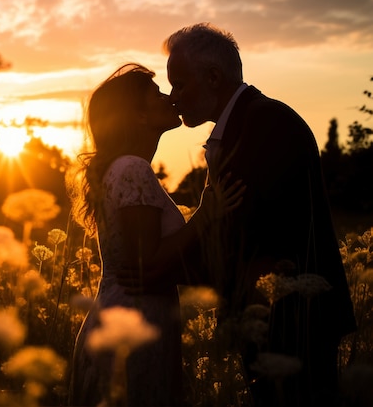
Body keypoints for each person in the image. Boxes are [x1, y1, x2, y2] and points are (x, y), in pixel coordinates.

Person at [139, 22, 356, 407]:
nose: (174, 98)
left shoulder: (265, 123)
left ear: (213, 77)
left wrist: (157, 268)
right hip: (276, 318)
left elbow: (248, 236)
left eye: (180, 85)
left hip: (294, 322)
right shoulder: (249, 122)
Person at [67, 63, 243, 407]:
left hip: (130, 322)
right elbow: (147, 261)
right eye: (159, 94)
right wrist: (207, 214)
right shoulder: (132, 168)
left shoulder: (123, 167)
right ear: (139, 117)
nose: (171, 99)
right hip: (131, 329)